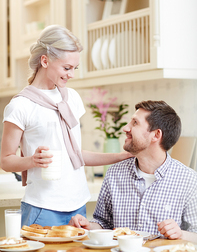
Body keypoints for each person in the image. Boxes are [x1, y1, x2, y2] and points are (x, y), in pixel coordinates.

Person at [0, 25, 131, 227]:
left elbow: (76, 155)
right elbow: (6, 161)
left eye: (74, 68)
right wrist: (33, 160)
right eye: (66, 68)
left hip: (78, 205)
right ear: (45, 60)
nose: (71, 74)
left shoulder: (72, 98)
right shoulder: (20, 106)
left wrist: (121, 156)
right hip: (42, 208)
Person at [69, 100, 197, 242]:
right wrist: (87, 226)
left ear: (156, 135)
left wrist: (180, 234)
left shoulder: (189, 180)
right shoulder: (115, 174)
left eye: (135, 123)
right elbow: (103, 223)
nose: (126, 128)